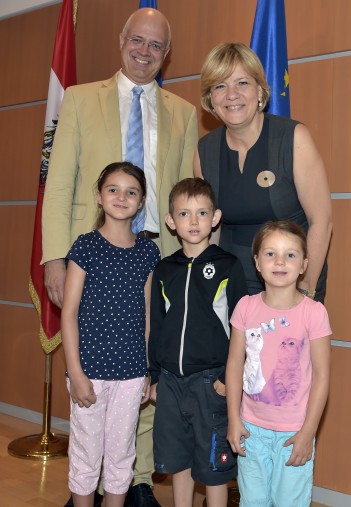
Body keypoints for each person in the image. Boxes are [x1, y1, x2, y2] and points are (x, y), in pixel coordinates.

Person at [42, 7, 198, 507]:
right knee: (92, 370)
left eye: (156, 45)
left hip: (159, 257)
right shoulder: (81, 100)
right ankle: (85, 483)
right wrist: (53, 257)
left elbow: (185, 189)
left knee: (144, 371)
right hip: (94, 253)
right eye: (138, 40)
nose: (145, 52)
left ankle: (137, 480)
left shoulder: (185, 112)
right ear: (121, 39)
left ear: (166, 54)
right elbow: (60, 182)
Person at [194, 42, 332, 303]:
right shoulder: (204, 151)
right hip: (230, 283)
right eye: (220, 86)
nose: (231, 94)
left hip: (291, 280)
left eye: (242, 83)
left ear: (260, 89)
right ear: (210, 98)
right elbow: (209, 229)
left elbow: (321, 221)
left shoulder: (293, 138)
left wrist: (304, 292)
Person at [61, 162, 161, 507]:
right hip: (89, 372)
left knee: (121, 455)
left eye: (131, 191)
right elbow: (69, 313)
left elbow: (148, 315)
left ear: (142, 201)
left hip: (132, 375)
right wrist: (75, 372)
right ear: (100, 197)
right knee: (87, 454)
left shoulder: (148, 253)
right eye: (113, 189)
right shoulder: (86, 246)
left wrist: (148, 370)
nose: (122, 197)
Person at [148, 178, 248, 507]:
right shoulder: (164, 270)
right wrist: (155, 376)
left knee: (213, 466)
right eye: (185, 214)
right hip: (172, 384)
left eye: (202, 213)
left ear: (215, 218)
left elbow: (241, 329)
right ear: (170, 220)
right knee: (179, 460)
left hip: (211, 382)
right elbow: (158, 327)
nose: (193, 222)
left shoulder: (228, 267)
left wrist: (226, 378)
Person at [226, 220, 331, 507]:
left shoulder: (314, 313)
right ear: (257, 262)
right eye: (270, 253)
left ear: (304, 264)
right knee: (253, 501)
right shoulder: (246, 307)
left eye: (290, 254)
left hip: (295, 431)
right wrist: (234, 420)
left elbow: (322, 377)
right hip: (251, 430)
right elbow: (235, 365)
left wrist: (308, 431)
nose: (280, 261)